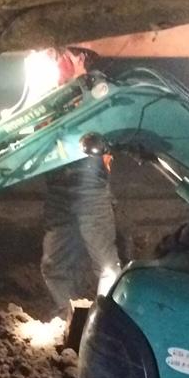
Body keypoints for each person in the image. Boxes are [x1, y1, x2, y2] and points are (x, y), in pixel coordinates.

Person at [37, 47, 121, 320]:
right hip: (58, 190)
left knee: (106, 265)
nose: (53, 63)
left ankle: (105, 322)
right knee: (54, 264)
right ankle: (68, 317)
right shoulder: (49, 98)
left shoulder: (96, 91)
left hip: (90, 190)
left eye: (58, 56)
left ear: (80, 58)